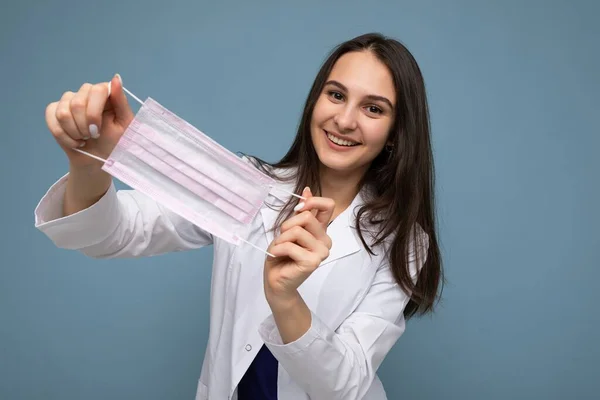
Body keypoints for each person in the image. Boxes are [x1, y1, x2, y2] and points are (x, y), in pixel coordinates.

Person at [35, 32, 443, 399]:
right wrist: (87, 163)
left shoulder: (404, 240)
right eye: (336, 95)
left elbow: (346, 385)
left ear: (395, 133)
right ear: (315, 101)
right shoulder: (248, 186)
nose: (345, 120)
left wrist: (284, 299)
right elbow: (113, 235)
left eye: (373, 109)